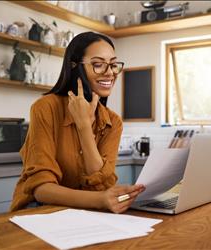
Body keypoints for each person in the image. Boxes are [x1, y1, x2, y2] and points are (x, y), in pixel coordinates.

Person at [10, 32, 145, 213]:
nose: (110, 72)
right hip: (40, 212)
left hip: (86, 214)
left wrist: (84, 129)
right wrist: (99, 200)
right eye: (98, 65)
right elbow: (41, 189)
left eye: (113, 65)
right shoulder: (45, 108)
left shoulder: (113, 122)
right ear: (75, 67)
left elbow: (101, 186)